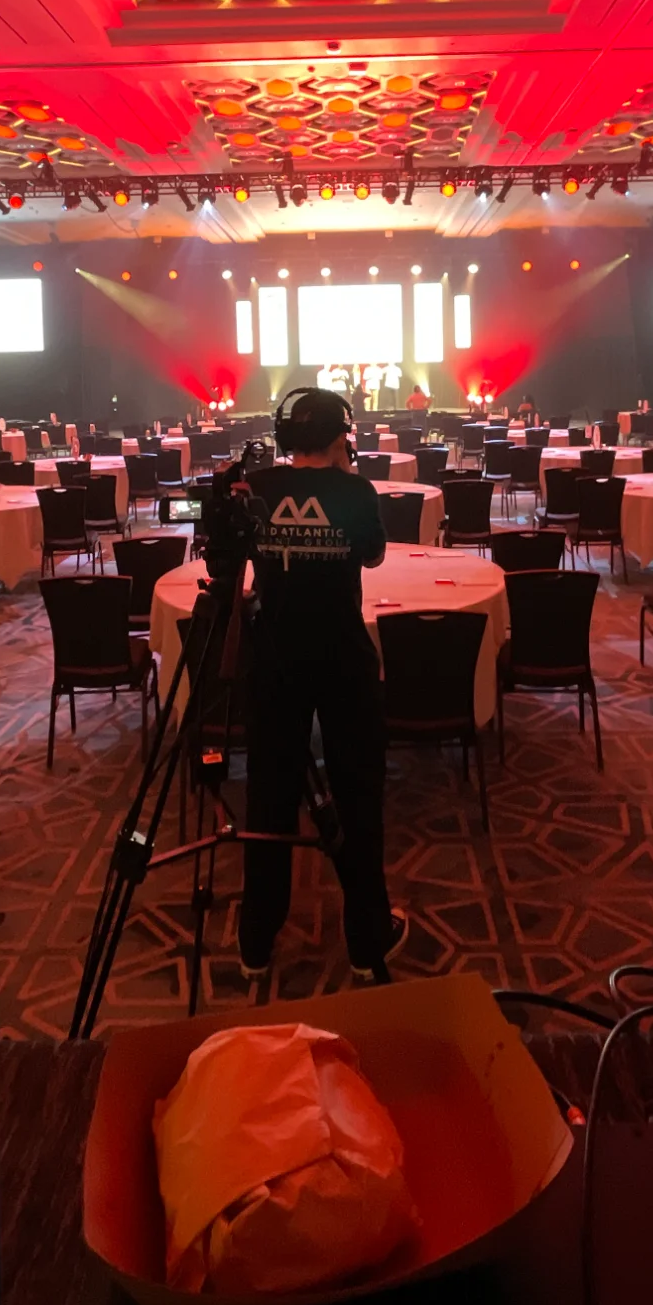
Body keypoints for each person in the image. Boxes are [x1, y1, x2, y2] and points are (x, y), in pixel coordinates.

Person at [241, 388, 404, 982]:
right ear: (341, 434)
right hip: (342, 659)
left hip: (276, 659)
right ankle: (366, 941)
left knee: (268, 800)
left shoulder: (255, 488)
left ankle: (255, 942)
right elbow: (373, 557)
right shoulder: (356, 492)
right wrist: (343, 478)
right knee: (359, 799)